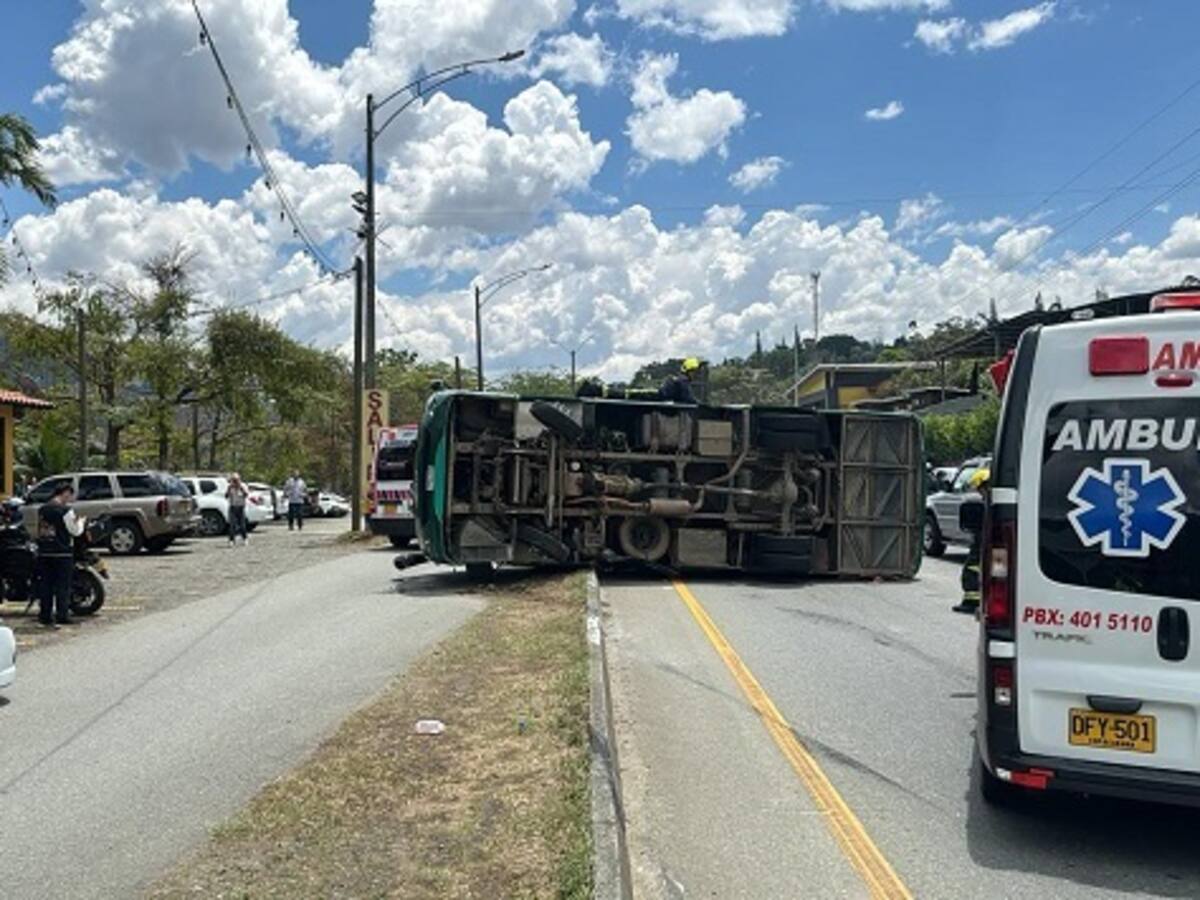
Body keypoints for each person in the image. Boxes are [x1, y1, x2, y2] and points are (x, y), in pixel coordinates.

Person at [36, 481, 86, 627]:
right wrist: (81, 522)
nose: (70, 499)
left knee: (46, 585)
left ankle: (45, 615)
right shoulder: (65, 511)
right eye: (70, 496)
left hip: (45, 552)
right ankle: (62, 615)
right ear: (65, 493)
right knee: (62, 586)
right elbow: (74, 531)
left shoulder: (43, 509)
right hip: (62, 552)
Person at [953, 467, 990, 615]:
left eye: (979, 489)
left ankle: (971, 602)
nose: (979, 492)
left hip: (983, 544)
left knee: (971, 571)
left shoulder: (988, 502)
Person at [226, 473, 250, 546]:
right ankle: (231, 540)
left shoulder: (243, 486)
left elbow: (246, 495)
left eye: (236, 480)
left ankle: (245, 538)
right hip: (233, 507)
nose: (235, 482)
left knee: (242, 525)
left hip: (241, 507)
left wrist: (241, 488)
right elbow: (226, 496)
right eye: (233, 480)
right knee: (232, 525)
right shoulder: (230, 487)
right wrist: (229, 489)